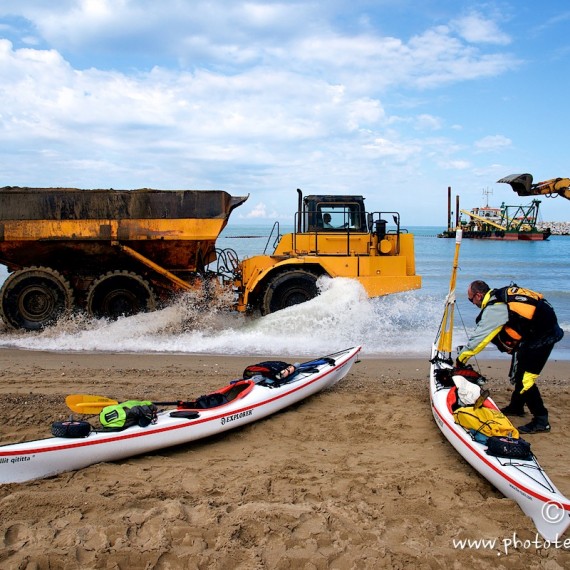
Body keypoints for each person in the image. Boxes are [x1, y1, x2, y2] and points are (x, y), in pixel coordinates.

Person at [457, 280, 564, 434]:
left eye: (471, 299)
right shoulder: (501, 295)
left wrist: (461, 359)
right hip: (535, 332)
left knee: (525, 379)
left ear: (479, 295)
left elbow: (480, 339)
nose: (472, 303)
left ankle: (541, 420)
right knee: (519, 371)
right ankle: (516, 407)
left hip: (544, 336)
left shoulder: (496, 307)